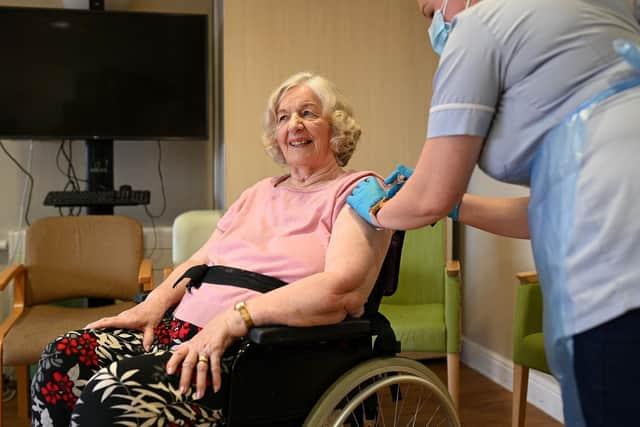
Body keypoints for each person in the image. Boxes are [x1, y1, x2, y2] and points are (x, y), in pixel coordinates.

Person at [30, 72, 392, 426]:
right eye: (283, 117)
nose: (294, 125)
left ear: (337, 127)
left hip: (256, 353)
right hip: (183, 331)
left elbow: (342, 288)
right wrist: (152, 306)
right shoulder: (261, 191)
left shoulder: (358, 192)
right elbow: (201, 258)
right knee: (61, 358)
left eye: (308, 113)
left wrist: (235, 319)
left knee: (110, 395)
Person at [347, 1, 640, 426]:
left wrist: (378, 211)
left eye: (430, 13)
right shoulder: (591, 16)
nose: (432, 27)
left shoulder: (479, 27)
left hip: (617, 272)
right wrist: (455, 205)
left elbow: (428, 194)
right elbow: (546, 212)